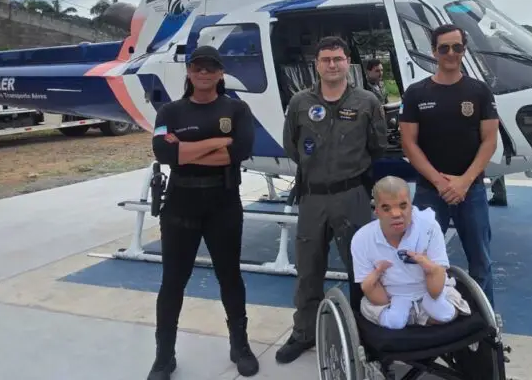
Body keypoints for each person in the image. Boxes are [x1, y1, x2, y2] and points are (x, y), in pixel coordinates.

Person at [275, 36, 389, 364]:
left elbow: (377, 146)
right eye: (325, 59)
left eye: (338, 59)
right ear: (317, 64)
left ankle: (366, 333)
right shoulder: (299, 103)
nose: (332, 65)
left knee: (362, 269)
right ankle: (303, 332)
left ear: (347, 61)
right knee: (309, 269)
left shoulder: (367, 101)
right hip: (312, 197)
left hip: (352, 195)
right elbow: (291, 145)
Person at [147, 45, 259, 379]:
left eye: (211, 67)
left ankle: (240, 345)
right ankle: (164, 356)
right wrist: (218, 142)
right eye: (198, 67)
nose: (205, 72)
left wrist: (186, 150)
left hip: (223, 204)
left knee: (230, 277)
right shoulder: (169, 112)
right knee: (172, 283)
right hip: (180, 205)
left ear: (221, 72)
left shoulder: (237, 109)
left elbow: (240, 151)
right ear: (189, 71)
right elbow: (163, 154)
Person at [399, 24, 499, 306]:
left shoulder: (479, 92)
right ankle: (426, 318)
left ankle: (485, 326)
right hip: (431, 192)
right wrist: (442, 183)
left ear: (464, 50)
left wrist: (464, 181)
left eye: (457, 47)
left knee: (481, 261)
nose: (451, 53)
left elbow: (490, 141)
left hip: (472, 190)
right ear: (434, 52)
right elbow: (409, 144)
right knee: (422, 260)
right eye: (444, 48)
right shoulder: (416, 93)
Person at [351, 176, 471, 329]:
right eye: (387, 208)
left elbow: (436, 284)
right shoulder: (362, 238)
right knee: (390, 319)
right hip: (389, 298)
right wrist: (391, 302)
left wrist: (429, 268)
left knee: (447, 313)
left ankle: (415, 315)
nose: (396, 214)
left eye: (402, 206)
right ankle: (411, 315)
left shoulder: (429, 227)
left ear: (411, 206)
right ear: (377, 211)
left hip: (428, 292)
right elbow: (370, 289)